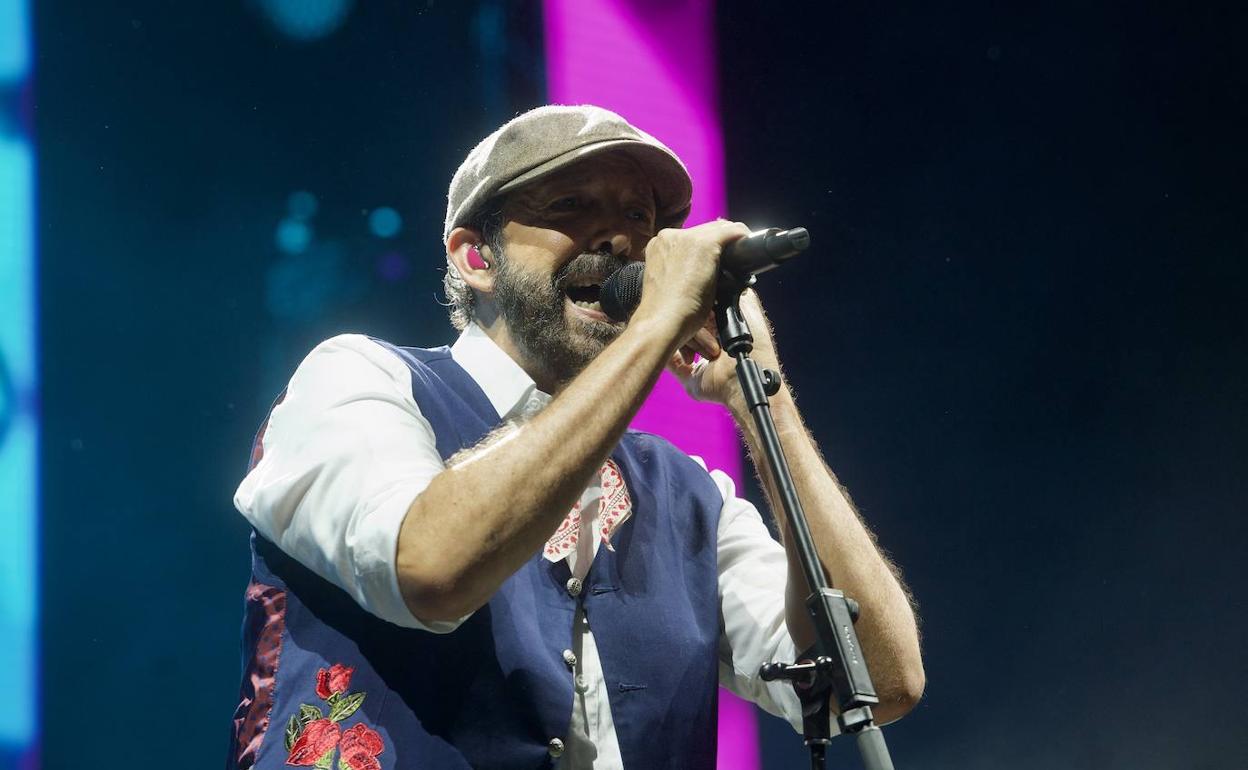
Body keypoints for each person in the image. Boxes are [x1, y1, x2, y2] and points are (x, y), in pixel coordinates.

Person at [227, 104, 924, 770]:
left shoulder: (687, 496)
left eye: (638, 217)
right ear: (477, 259)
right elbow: (430, 567)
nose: (620, 241)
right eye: (570, 207)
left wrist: (763, 403)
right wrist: (655, 328)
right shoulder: (357, 382)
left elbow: (879, 682)